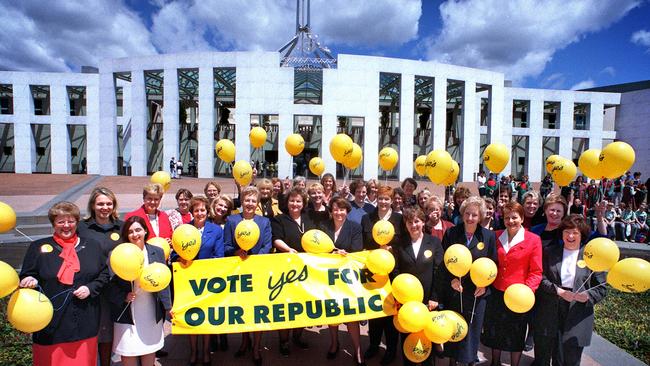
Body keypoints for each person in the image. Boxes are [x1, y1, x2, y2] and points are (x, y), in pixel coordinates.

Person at [19, 201, 109, 366]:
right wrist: (28, 280)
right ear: (53, 223)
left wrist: (90, 288)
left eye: (71, 221)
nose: (66, 225)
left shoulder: (92, 246)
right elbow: (26, 275)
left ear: (77, 222)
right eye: (61, 221)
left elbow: (104, 275)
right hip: (51, 325)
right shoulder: (38, 247)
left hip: (85, 321)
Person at [533, 215, 607, 366]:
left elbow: (601, 287)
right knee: (544, 352)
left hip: (577, 310)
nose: (570, 236)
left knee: (570, 358)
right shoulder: (550, 252)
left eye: (575, 232)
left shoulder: (591, 256)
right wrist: (558, 291)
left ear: (582, 235)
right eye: (567, 232)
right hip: (551, 305)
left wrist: (587, 296)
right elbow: (540, 277)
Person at [438, 196, 497, 365]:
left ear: (480, 217)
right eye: (468, 214)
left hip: (477, 293)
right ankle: (452, 360)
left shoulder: (488, 236)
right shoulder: (451, 233)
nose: (470, 218)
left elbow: (493, 264)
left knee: (472, 330)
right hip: (455, 290)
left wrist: (485, 286)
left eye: (475, 215)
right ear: (463, 214)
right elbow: (444, 262)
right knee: (453, 325)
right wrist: (452, 280)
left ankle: (469, 360)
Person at [482, 202, 542, 366]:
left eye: (514, 217)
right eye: (507, 217)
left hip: (519, 296)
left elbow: (536, 271)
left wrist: (526, 291)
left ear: (522, 218)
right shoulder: (495, 236)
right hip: (497, 293)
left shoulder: (533, 240)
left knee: (516, 332)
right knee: (496, 331)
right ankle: (495, 362)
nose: (510, 221)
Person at [109, 216, 171, 366]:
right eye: (130, 231)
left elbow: (163, 281)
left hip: (150, 307)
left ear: (145, 231)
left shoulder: (157, 251)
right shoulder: (118, 253)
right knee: (128, 347)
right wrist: (123, 296)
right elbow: (110, 284)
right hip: (127, 310)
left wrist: (168, 306)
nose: (135, 234)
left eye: (138, 230)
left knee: (149, 347)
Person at [224, 186, 272, 365]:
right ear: (242, 201)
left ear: (258, 203)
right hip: (239, 272)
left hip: (257, 271)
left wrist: (254, 260)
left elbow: (267, 246)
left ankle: (256, 346)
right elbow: (226, 245)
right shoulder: (232, 220)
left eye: (253, 200)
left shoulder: (264, 222)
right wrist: (236, 252)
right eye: (247, 200)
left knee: (258, 310)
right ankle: (245, 341)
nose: (250, 203)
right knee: (243, 309)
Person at [77, 187, 123, 366]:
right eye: (101, 204)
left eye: (109, 203)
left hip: (114, 285)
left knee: (107, 331)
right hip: (89, 285)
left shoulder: (121, 226)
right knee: (89, 329)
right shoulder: (82, 227)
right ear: (93, 205)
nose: (105, 207)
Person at [394, 207, 444, 366]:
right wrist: (399, 295)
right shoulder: (399, 243)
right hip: (406, 302)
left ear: (423, 222)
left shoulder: (434, 242)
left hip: (428, 301)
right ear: (405, 224)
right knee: (407, 338)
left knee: (427, 339)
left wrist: (435, 298)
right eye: (410, 222)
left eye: (417, 221)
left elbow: (439, 272)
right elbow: (394, 270)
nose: (413, 225)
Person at [177, 196, 224, 365]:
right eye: (196, 210)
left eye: (202, 210)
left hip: (208, 281)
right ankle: (193, 351)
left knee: (205, 317)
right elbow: (176, 254)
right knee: (192, 317)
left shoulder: (216, 230)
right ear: (192, 212)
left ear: (207, 211)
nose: (200, 213)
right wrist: (182, 258)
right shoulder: (183, 229)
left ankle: (205, 351)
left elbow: (219, 256)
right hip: (189, 282)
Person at [360, 186, 403, 364]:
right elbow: (363, 243)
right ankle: (373, 345)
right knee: (374, 310)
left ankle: (391, 349)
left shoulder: (399, 219)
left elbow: (403, 243)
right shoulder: (366, 218)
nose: (383, 202)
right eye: (381, 198)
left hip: (393, 272)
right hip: (373, 271)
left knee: (391, 311)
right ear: (376, 198)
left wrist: (391, 248)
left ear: (392, 200)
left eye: (387, 198)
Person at [321, 197, 366, 365]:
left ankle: (358, 350)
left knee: (351, 314)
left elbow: (357, 250)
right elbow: (316, 250)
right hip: (329, 277)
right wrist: (329, 255)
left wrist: (344, 254)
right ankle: (334, 343)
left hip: (348, 278)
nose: (338, 212)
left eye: (342, 209)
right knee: (332, 312)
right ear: (331, 211)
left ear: (347, 211)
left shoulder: (355, 227)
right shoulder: (324, 227)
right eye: (335, 209)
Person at [271, 188, 315, 356]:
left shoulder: (309, 219)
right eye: (292, 201)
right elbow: (276, 239)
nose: (295, 204)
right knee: (286, 305)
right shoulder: (279, 219)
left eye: (298, 201)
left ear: (303, 203)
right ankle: (283, 340)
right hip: (286, 268)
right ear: (287, 203)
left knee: (303, 304)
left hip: (306, 269)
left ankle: (298, 335)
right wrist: (288, 249)